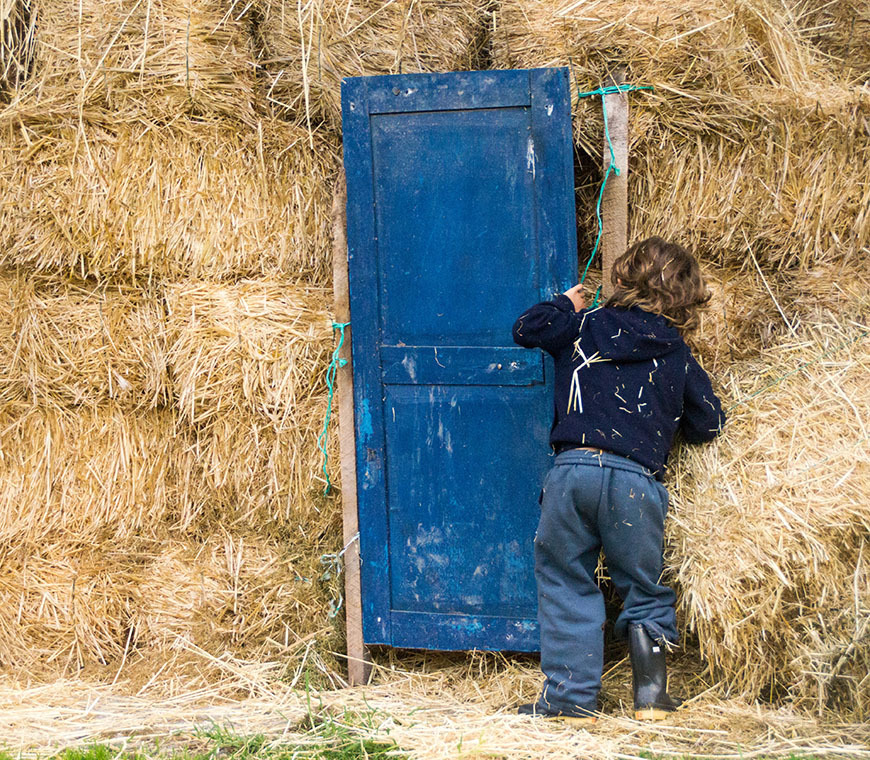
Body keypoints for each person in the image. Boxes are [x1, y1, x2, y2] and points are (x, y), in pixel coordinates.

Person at [511, 236, 725, 724]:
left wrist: (565, 303)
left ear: (623, 276)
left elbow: (527, 329)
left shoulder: (581, 328)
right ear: (687, 296)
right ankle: (650, 698)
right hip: (635, 482)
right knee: (642, 586)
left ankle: (569, 700)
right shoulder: (676, 354)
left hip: (572, 474)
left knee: (566, 580)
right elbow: (709, 422)